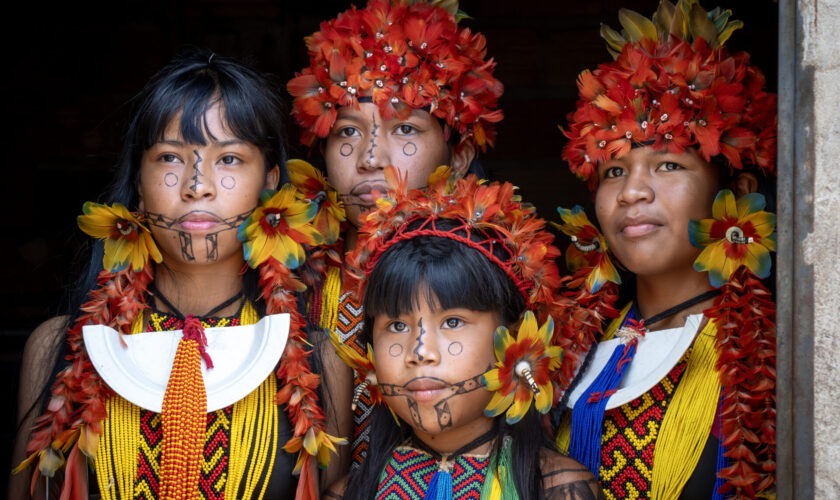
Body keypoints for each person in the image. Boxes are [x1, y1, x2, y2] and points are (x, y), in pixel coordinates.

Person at [11, 50, 345, 500]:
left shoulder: (320, 360)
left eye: (228, 159)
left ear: (269, 180)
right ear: (138, 183)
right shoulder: (56, 347)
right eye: (170, 158)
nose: (197, 184)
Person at [552, 1, 777, 499]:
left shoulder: (771, 364)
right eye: (614, 171)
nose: (632, 192)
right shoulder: (564, 350)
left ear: (736, 191)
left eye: (668, 165)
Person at [286, 0, 505, 471]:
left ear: (460, 154)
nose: (369, 158)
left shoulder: (501, 279)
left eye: (404, 127)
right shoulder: (289, 284)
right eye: (348, 131)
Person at [323, 166, 604, 499]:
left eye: (452, 322)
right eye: (397, 326)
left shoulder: (560, 489)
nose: (420, 351)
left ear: (515, 338)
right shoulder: (348, 494)